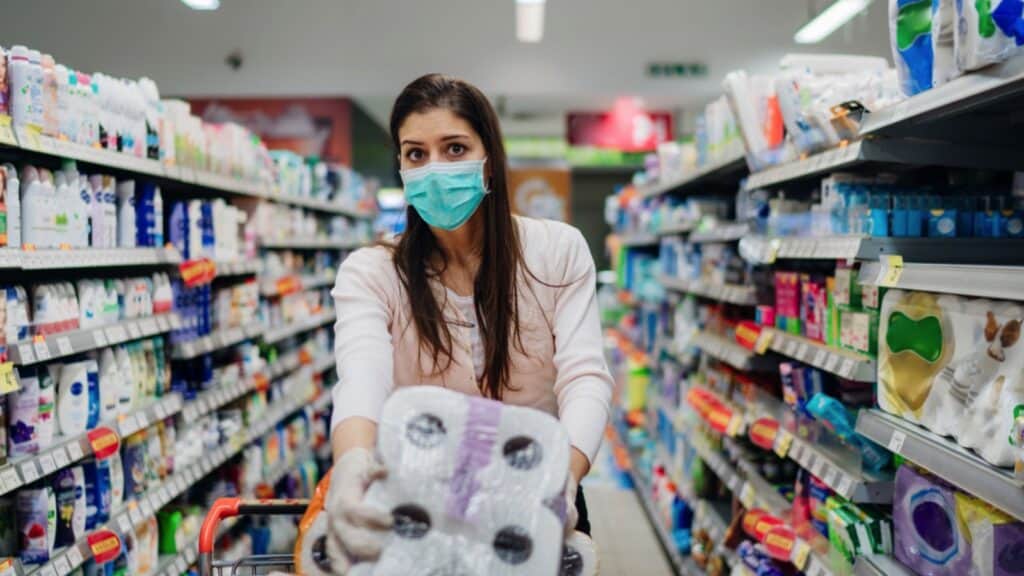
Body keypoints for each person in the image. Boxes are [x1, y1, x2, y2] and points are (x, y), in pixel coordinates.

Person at [326, 73, 613, 569]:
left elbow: (585, 377)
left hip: (540, 488)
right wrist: (351, 462)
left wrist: (563, 478)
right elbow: (361, 381)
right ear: (400, 165)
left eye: (455, 148)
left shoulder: (557, 252)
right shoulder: (371, 272)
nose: (434, 168)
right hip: (422, 501)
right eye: (416, 154)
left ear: (489, 162)